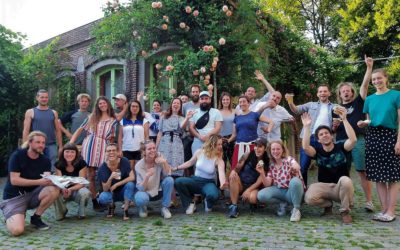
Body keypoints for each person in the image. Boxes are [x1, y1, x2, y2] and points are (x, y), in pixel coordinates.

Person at [358, 65, 400, 222]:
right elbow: (370, 119)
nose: (376, 81)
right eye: (374, 79)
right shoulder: (369, 99)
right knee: (378, 177)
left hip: (391, 136)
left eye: (379, 78)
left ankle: (391, 211)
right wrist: (364, 123)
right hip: (373, 137)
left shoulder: (396, 95)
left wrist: (399, 141)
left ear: (386, 78)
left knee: (393, 177)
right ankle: (383, 210)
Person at [333, 55, 374, 212]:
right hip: (341, 141)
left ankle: (369, 201)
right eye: (343, 91)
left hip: (358, 140)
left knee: (362, 171)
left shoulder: (358, 102)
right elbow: (332, 130)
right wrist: (334, 126)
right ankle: (347, 201)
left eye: (348, 91)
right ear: (340, 94)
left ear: (352, 92)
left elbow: (364, 86)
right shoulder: (336, 109)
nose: (345, 93)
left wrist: (369, 68)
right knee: (343, 172)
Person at [302, 109, 356, 224]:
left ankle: (345, 211)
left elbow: (353, 140)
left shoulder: (341, 147)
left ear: (332, 136)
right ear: (318, 139)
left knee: (346, 180)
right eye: (321, 134)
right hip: (325, 187)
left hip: (340, 188)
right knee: (309, 197)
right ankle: (328, 205)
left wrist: (344, 119)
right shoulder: (317, 151)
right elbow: (306, 148)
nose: (324, 135)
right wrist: (307, 127)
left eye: (327, 133)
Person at [0, 131, 60, 236]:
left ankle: (36, 218)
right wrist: (39, 182)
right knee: (17, 231)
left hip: (32, 195)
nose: (41, 145)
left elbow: (47, 179)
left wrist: (62, 183)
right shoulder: (17, 156)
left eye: (43, 142)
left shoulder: (45, 160)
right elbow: (15, 180)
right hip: (14, 197)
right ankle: (11, 215)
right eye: (38, 142)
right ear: (30, 143)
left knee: (53, 189)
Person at [70, 96, 120, 210]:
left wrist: (112, 151)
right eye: (100, 104)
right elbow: (80, 130)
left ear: (108, 104)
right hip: (90, 146)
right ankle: (94, 201)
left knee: (104, 174)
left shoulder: (113, 120)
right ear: (97, 106)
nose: (102, 105)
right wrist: (71, 143)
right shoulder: (91, 117)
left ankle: (104, 198)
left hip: (104, 147)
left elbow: (112, 138)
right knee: (91, 175)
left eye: (104, 103)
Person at [286, 84, 334, 185]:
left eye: (325, 91)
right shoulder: (311, 105)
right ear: (317, 94)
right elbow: (296, 110)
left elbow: (344, 115)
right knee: (303, 167)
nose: (323, 93)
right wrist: (290, 101)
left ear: (329, 93)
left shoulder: (334, 107)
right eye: (320, 91)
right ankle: (303, 191)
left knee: (325, 167)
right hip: (309, 138)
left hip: (324, 140)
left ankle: (324, 191)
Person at [174, 135, 227, 214]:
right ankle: (190, 204)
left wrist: (223, 183)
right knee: (178, 182)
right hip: (195, 180)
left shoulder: (219, 159)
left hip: (208, 183)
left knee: (213, 195)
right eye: (218, 144)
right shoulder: (199, 152)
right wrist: (176, 168)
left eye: (221, 144)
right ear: (212, 144)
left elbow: (221, 173)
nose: (221, 147)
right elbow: (190, 162)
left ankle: (208, 203)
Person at [257, 141, 305, 222]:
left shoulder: (289, 159)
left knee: (295, 181)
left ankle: (296, 209)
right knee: (261, 195)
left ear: (283, 150)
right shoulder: (272, 165)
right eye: (273, 149)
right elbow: (267, 184)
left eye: (278, 149)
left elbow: (297, 166)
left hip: (293, 192)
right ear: (270, 151)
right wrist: (262, 173)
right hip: (281, 191)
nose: (275, 151)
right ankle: (283, 203)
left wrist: (294, 168)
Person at [228, 138, 270, 218]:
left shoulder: (267, 161)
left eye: (260, 146)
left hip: (254, 186)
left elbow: (260, 181)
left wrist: (248, 190)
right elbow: (237, 167)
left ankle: (253, 204)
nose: (257, 148)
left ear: (265, 148)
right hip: (241, 183)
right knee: (233, 176)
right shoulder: (248, 154)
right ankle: (234, 207)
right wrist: (233, 171)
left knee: (252, 198)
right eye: (255, 146)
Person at [228, 95, 273, 169]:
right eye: (240, 102)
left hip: (253, 147)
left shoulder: (255, 115)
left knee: (253, 168)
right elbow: (234, 135)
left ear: (249, 103)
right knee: (236, 169)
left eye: (244, 101)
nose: (242, 103)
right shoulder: (236, 118)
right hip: (239, 146)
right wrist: (228, 141)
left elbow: (271, 122)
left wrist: (268, 130)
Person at [22, 89, 62, 169]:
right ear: (37, 98)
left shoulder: (53, 112)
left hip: (51, 145)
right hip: (36, 144)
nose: (44, 99)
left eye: (46, 97)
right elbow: (26, 130)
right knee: (36, 167)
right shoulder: (30, 112)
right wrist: (25, 145)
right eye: (42, 97)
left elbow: (58, 130)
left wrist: (60, 146)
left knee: (51, 168)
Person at [134, 140, 174, 219]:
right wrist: (147, 176)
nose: (152, 150)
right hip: (145, 192)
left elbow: (167, 174)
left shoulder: (159, 157)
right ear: (144, 152)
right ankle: (143, 208)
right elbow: (141, 188)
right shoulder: (139, 165)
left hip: (158, 190)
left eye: (154, 148)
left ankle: (165, 208)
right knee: (140, 198)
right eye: (149, 149)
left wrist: (164, 162)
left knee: (169, 180)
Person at [98, 143, 135, 220]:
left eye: (114, 150)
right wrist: (110, 178)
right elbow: (105, 189)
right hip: (110, 192)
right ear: (105, 153)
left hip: (123, 191)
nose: (111, 152)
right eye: (109, 151)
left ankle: (126, 209)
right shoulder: (102, 167)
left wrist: (117, 184)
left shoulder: (124, 161)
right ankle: (111, 206)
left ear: (118, 152)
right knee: (102, 197)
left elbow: (132, 177)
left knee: (130, 185)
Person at [54, 143, 91, 220]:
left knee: (85, 192)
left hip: (77, 189)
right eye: (67, 151)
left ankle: (81, 212)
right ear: (63, 153)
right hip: (63, 190)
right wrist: (63, 189)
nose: (69, 154)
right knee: (54, 191)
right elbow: (59, 182)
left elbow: (81, 182)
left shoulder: (81, 163)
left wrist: (70, 189)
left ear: (76, 154)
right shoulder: (58, 164)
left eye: (72, 152)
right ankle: (62, 211)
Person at [119, 100, 149, 170]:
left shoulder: (144, 121)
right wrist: (120, 150)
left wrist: (145, 149)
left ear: (139, 108)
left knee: (139, 170)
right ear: (129, 108)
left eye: (137, 107)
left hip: (140, 149)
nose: (135, 108)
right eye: (133, 106)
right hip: (126, 149)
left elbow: (147, 136)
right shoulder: (123, 121)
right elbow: (120, 136)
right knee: (129, 170)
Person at [219, 92, 235, 167]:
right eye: (224, 99)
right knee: (222, 162)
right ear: (221, 101)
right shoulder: (217, 112)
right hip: (221, 138)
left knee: (233, 162)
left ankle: (233, 178)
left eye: (227, 99)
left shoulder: (235, 111)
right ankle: (221, 178)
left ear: (230, 100)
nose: (225, 101)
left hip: (233, 138)